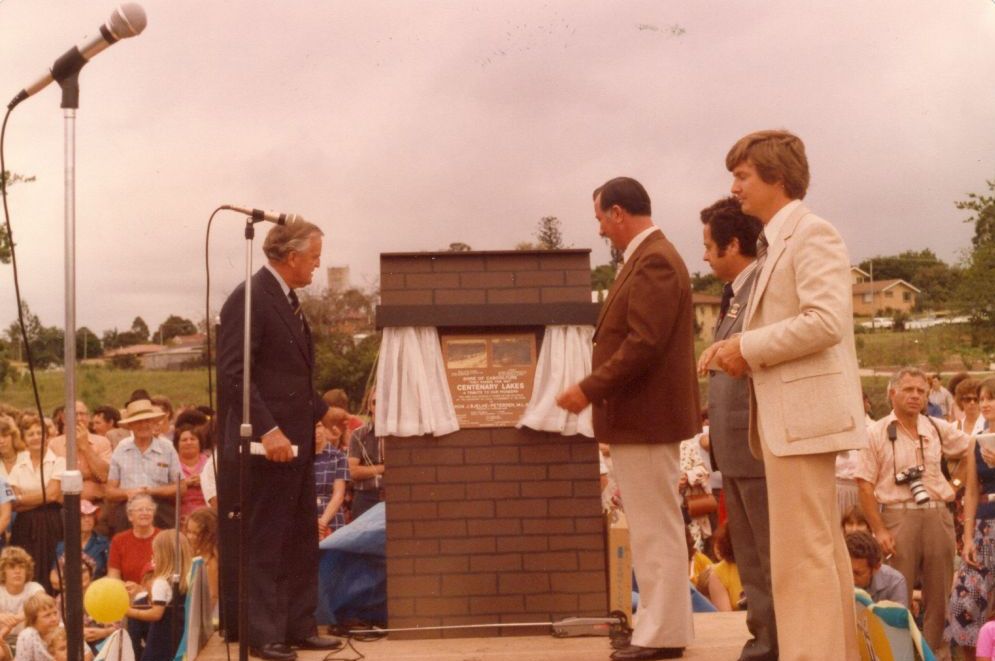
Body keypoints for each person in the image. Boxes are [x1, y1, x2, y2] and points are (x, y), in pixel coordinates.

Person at [700, 130, 867, 660]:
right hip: (793, 420)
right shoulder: (780, 239)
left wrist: (744, 348)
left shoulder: (812, 234)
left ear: (776, 178)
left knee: (803, 559)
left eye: (743, 176)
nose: (735, 187)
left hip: (801, 421)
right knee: (819, 554)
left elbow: (825, 322)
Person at [556, 177, 700, 661]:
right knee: (653, 526)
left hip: (645, 420)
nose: (600, 229)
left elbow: (643, 343)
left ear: (618, 212)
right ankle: (664, 629)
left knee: (654, 528)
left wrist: (587, 389)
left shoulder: (654, 259)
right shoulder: (651, 256)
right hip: (644, 420)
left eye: (600, 218)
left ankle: (661, 636)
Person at [217, 218, 345, 660]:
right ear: (291, 257)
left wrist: (323, 410)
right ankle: (263, 633)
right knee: (267, 541)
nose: (316, 267)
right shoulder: (250, 298)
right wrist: (268, 428)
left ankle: (298, 624)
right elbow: (237, 374)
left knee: (297, 538)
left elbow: (287, 375)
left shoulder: (287, 301)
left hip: (296, 445)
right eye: (313, 258)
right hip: (267, 445)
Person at [696, 195, 775, 660]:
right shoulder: (734, 298)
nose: (703, 256)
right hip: (733, 455)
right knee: (749, 558)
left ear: (732, 244)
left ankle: (774, 644)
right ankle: (763, 639)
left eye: (708, 245)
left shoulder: (763, 289)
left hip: (757, 449)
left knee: (767, 557)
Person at [855, 367, 971, 658]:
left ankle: (935, 653)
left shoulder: (935, 426)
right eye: (908, 389)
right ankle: (898, 653)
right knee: (897, 591)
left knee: (939, 591)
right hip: (897, 515)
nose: (915, 396)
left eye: (921, 391)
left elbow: (972, 449)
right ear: (892, 393)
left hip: (936, 514)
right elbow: (864, 487)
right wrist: (879, 530)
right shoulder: (876, 432)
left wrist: (955, 484)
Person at [944, 377, 995, 658]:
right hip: (984, 528)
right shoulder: (975, 441)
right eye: (982, 398)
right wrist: (967, 538)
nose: (985, 404)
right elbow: (972, 491)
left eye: (991, 398)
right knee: (964, 604)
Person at [105, 400, 182, 533]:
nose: (143, 425)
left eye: (147, 421)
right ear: (130, 426)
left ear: (153, 423)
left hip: (159, 504)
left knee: (168, 528)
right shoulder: (121, 448)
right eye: (138, 422)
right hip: (128, 505)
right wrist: (128, 493)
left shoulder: (167, 448)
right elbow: (109, 492)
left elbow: (181, 487)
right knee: (120, 520)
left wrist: (152, 491)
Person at [8, 416, 64, 593]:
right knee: (27, 566)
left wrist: (24, 499)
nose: (35, 437)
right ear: (24, 439)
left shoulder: (59, 461)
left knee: (48, 564)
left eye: (40, 433)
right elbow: (13, 501)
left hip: (51, 522)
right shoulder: (18, 465)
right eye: (30, 433)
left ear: (47, 437)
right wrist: (42, 497)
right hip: (24, 525)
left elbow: (54, 494)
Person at [123, 530, 191, 661]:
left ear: (162, 556)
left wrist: (128, 611)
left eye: (154, 553)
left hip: (160, 642)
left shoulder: (161, 582)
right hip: (178, 639)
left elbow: (156, 614)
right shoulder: (185, 580)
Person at [45, 401, 112, 511]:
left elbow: (104, 476)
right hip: (63, 506)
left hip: (97, 505)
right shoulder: (54, 444)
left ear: (89, 418)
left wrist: (85, 446)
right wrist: (88, 475)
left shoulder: (102, 442)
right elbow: (53, 480)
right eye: (75, 414)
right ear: (64, 419)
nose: (79, 418)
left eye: (83, 414)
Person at [51, 499, 109, 588]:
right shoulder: (62, 546)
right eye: (82, 516)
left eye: (90, 515)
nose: (87, 520)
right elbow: (54, 579)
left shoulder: (103, 543)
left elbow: (111, 575)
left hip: (96, 593)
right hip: (69, 593)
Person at [106, 494, 160, 587]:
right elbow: (113, 576)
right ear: (130, 516)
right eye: (140, 510)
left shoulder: (163, 538)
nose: (145, 513)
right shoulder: (119, 540)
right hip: (127, 594)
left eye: (149, 509)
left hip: (157, 595)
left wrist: (142, 591)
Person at [845, 530, 907, 606]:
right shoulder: (834, 576)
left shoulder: (894, 581)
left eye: (857, 573)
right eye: (846, 571)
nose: (851, 579)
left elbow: (898, 617)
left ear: (876, 568)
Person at [348, 393, 384, 521]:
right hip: (365, 497)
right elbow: (353, 471)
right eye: (375, 402)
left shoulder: (398, 434)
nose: (380, 406)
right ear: (370, 406)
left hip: (393, 496)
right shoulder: (358, 434)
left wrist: (368, 470)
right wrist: (384, 468)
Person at [0, 547, 44, 642]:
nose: (17, 571)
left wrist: (15, 619)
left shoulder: (34, 587)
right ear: (3, 571)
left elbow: (43, 603)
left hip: (30, 640)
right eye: (12, 567)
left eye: (21, 567)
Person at [314, 422, 349, 538]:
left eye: (318, 426)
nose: (315, 431)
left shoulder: (339, 457)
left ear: (325, 428)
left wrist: (322, 523)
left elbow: (338, 495)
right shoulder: (301, 459)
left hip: (332, 519)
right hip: (307, 520)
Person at [184, 507, 219, 611]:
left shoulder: (212, 562)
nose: (190, 537)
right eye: (188, 531)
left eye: (196, 533)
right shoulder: (193, 555)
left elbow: (213, 597)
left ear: (209, 534)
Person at [175, 425, 210, 521]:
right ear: (177, 444)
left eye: (193, 439)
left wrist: (204, 481)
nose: (189, 442)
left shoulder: (210, 462)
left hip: (208, 513)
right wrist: (184, 483)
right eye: (184, 440)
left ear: (200, 442)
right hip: (179, 515)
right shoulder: (172, 463)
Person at [13, 592, 60, 661]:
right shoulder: (27, 636)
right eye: (47, 615)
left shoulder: (62, 630)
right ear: (33, 619)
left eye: (55, 613)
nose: (54, 619)